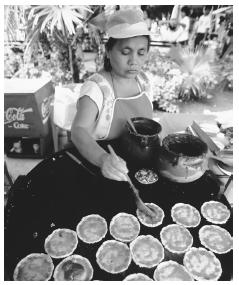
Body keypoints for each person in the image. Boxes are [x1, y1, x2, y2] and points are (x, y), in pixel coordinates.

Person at [71, 9, 153, 183]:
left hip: (137, 165)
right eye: (125, 52)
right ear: (108, 52)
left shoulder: (144, 82)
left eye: (141, 52)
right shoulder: (97, 88)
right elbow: (78, 131)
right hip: (99, 165)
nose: (134, 61)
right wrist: (103, 159)